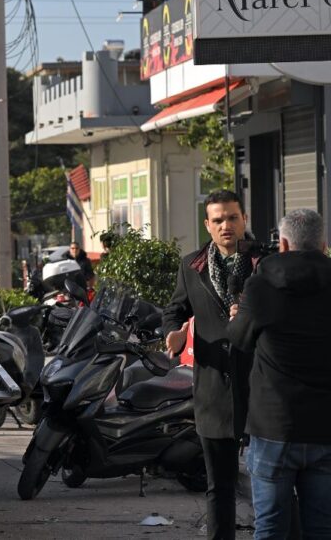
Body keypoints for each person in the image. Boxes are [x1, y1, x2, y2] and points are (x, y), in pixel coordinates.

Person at [228, 209, 331, 539]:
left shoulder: (259, 286)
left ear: (283, 244)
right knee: (322, 527)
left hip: (273, 425)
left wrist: (239, 314)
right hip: (325, 426)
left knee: (270, 526)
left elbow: (238, 341)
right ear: (324, 245)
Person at [163, 189, 255, 540]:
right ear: (207, 225)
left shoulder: (265, 263)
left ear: (244, 218)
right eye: (218, 220)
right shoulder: (192, 266)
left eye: (232, 217)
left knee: (272, 485)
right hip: (213, 389)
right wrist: (173, 333)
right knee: (220, 487)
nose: (226, 225)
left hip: (262, 389)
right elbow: (174, 310)